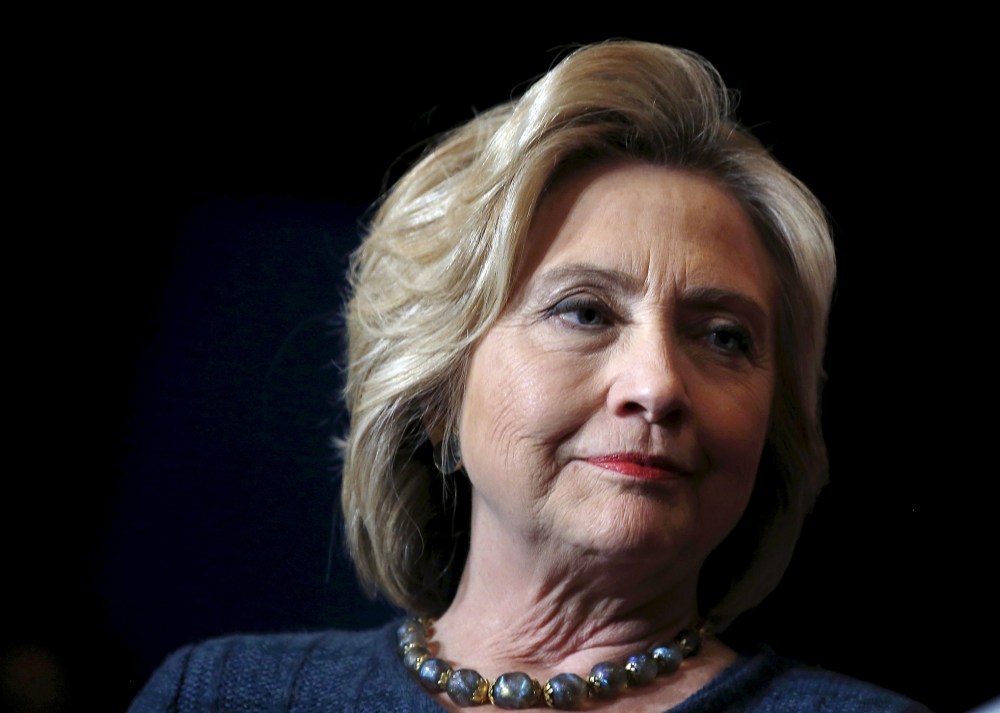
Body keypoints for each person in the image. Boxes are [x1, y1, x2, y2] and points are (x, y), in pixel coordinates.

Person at [128, 41, 932, 712]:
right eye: (584, 312)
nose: (657, 386)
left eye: (723, 336)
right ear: (439, 388)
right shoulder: (223, 693)